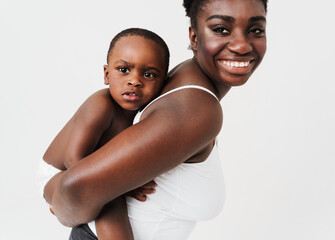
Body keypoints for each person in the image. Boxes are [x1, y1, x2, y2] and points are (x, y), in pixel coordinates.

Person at [43, 0, 268, 239]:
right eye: (221, 29)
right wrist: (62, 202)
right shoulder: (196, 110)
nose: (243, 45)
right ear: (194, 37)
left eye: (256, 30)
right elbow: (74, 190)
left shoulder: (187, 79)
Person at [39, 28, 170, 240]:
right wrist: (120, 187)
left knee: (107, 195)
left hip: (90, 174)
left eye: (149, 74)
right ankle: (62, 204)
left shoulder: (148, 112)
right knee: (110, 202)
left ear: (163, 82)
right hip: (59, 174)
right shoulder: (100, 106)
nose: (135, 81)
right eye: (124, 70)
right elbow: (73, 160)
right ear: (107, 74)